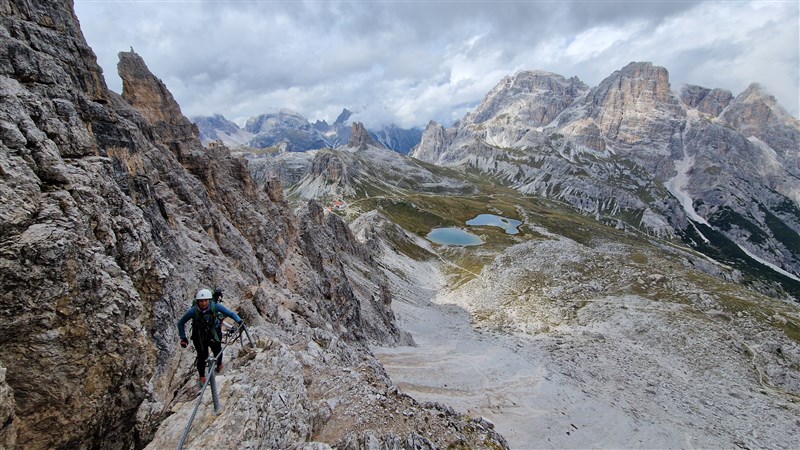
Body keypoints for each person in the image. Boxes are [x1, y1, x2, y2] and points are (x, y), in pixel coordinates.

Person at [177, 288, 242, 384]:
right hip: (199, 335)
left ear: (209, 300)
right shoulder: (194, 310)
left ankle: (219, 364)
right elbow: (181, 323)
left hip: (213, 333)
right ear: (198, 301)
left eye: (205, 300)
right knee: (201, 356)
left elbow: (231, 313)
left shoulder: (214, 306)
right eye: (201, 301)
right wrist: (183, 338)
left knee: (217, 350)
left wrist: (240, 321)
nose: (203, 303)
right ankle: (202, 376)